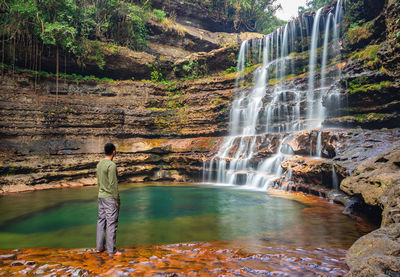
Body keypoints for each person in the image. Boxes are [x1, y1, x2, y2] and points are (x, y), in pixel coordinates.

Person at [96, 142, 122, 256]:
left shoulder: (99, 164)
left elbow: (98, 181)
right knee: (111, 223)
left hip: (101, 196)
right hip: (110, 198)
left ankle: (100, 247)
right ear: (114, 152)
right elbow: (113, 184)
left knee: (101, 221)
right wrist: (117, 199)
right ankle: (111, 250)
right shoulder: (111, 165)